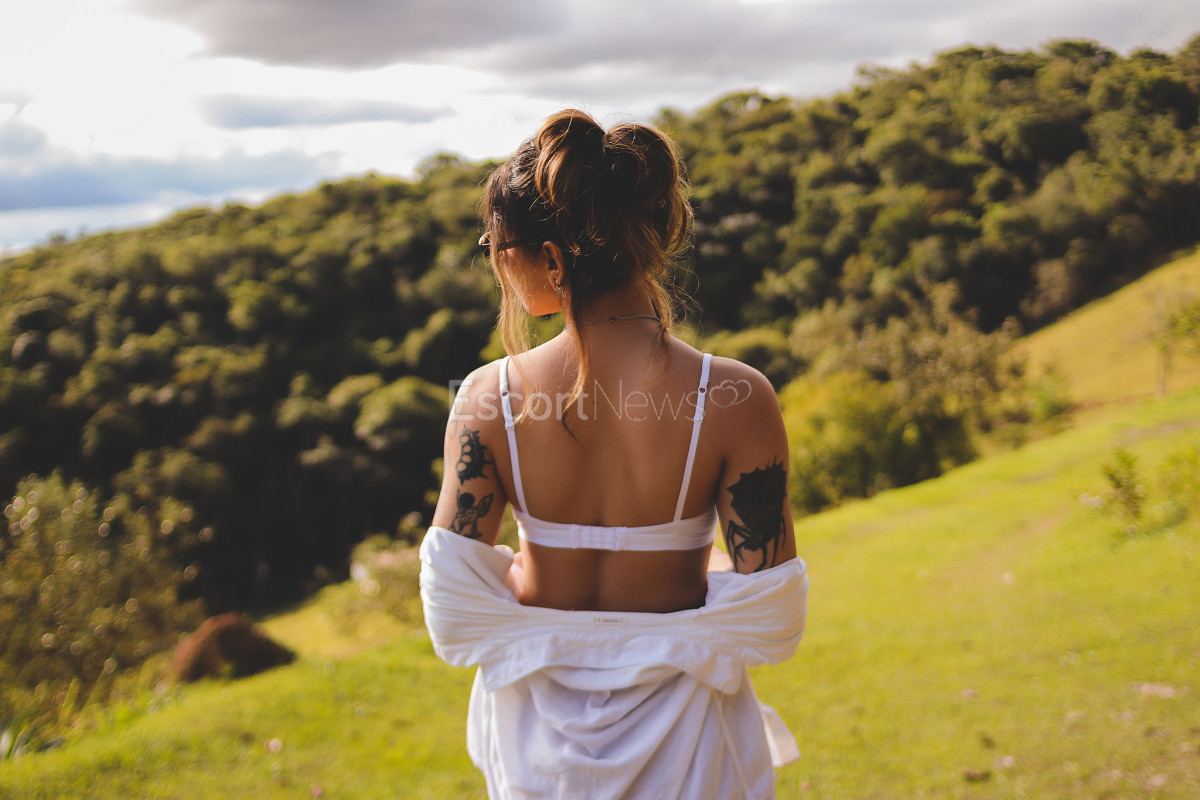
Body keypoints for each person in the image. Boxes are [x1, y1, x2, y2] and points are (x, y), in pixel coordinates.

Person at [419, 109, 808, 800]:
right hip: (691, 754)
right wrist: (697, 576)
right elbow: (772, 620)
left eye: (497, 244)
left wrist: (530, 578)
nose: (494, 259)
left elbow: (454, 616)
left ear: (551, 259)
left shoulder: (488, 399)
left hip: (539, 758)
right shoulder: (736, 397)